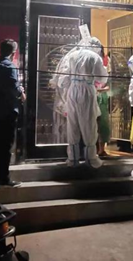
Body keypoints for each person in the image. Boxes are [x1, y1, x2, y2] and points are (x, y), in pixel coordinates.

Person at [51, 37, 108, 168]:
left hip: (72, 90)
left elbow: (63, 79)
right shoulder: (94, 57)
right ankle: (91, 158)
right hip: (87, 90)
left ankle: (73, 158)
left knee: (73, 124)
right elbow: (102, 78)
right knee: (89, 123)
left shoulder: (72, 55)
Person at [0, 39, 25, 188]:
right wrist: (21, 92)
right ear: (13, 53)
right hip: (7, 112)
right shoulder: (10, 67)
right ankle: (4, 178)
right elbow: (13, 88)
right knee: (5, 146)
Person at [96, 46, 111, 156]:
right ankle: (95, 149)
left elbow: (108, 85)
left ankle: (101, 149)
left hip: (102, 99)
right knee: (93, 125)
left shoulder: (105, 67)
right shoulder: (91, 66)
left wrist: (101, 89)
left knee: (103, 125)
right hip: (94, 98)